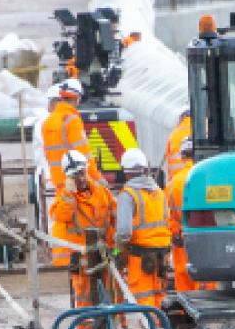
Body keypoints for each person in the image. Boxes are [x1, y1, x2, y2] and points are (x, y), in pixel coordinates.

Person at [49, 150, 115, 307]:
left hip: (104, 254)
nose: (81, 178)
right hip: (82, 261)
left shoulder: (101, 192)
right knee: (85, 298)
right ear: (69, 178)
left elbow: (114, 215)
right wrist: (70, 194)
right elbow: (61, 215)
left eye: (82, 173)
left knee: (112, 294)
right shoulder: (64, 197)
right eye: (75, 175)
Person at [112, 148, 172, 307]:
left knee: (144, 299)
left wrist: (117, 251)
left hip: (141, 258)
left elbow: (124, 233)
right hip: (163, 256)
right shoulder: (159, 192)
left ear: (126, 172)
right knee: (160, 296)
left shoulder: (128, 195)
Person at [164, 138, 219, 294]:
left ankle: (186, 316)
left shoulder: (174, 182)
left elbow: (166, 215)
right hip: (206, 240)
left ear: (182, 156)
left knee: (185, 284)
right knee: (208, 282)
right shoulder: (208, 178)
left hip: (181, 242)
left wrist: (176, 233)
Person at [39, 79, 89, 195]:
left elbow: (48, 154)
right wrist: (96, 178)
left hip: (58, 181)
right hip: (75, 181)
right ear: (77, 98)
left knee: (63, 210)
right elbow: (84, 154)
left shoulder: (48, 122)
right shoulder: (72, 120)